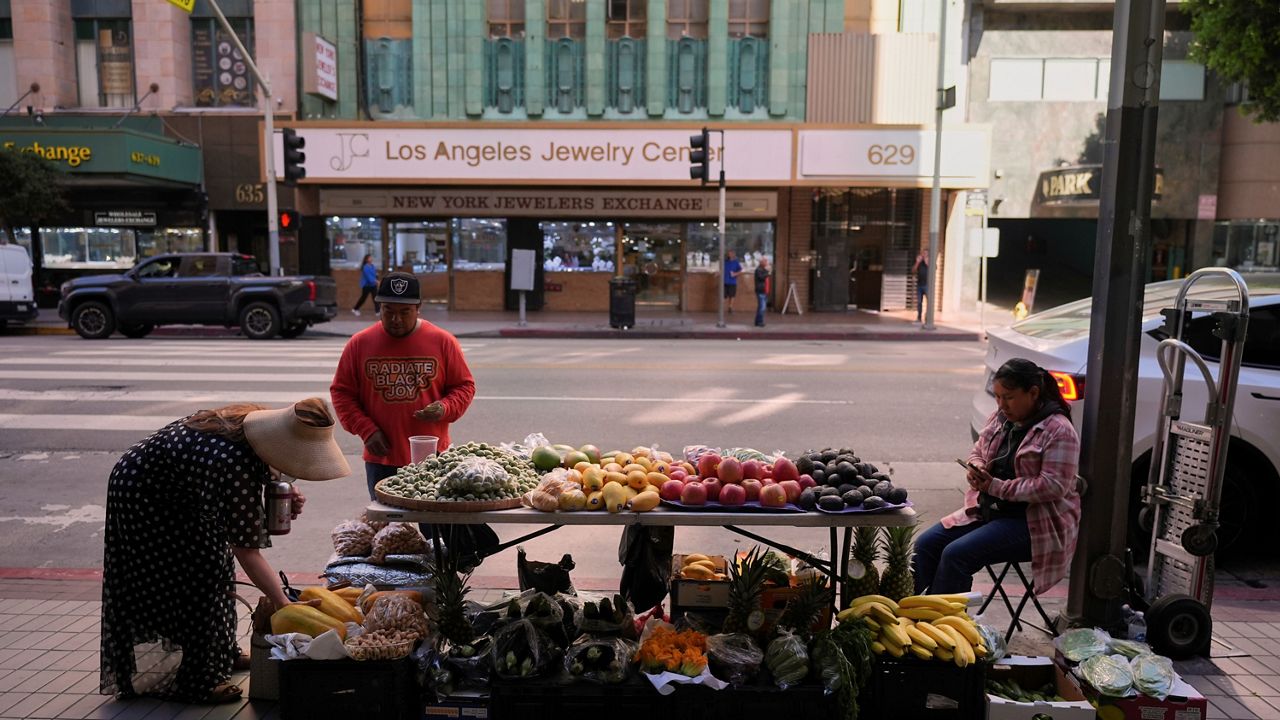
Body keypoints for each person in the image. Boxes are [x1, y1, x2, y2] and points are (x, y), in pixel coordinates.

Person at [100, 398, 350, 704]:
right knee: (197, 575)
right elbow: (247, 551)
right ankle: (196, 681)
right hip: (146, 496)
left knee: (215, 563)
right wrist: (282, 602)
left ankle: (222, 651)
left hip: (180, 487)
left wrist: (285, 488)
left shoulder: (257, 425)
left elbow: (266, 460)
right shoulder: (231, 463)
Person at [330, 271, 495, 562]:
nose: (395, 319)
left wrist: (444, 407)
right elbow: (342, 393)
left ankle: (440, 597)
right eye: (388, 311)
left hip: (432, 461)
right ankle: (401, 596)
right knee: (391, 540)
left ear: (418, 309)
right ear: (378, 308)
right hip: (382, 462)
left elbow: (464, 386)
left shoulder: (442, 341)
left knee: (438, 542)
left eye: (404, 312)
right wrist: (366, 430)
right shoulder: (359, 344)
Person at [912, 358, 1081, 596]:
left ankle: (942, 626)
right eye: (998, 397)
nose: (1002, 405)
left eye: (1009, 397)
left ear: (1033, 393)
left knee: (956, 555)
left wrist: (996, 487)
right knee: (926, 546)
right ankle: (908, 616)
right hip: (989, 510)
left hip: (1032, 523)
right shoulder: (1000, 418)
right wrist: (976, 468)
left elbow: (1053, 486)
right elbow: (978, 450)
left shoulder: (1059, 430)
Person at [753, 257, 771, 327]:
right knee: (762, 307)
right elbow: (761, 277)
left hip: (764, 290)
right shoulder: (758, 270)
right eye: (765, 261)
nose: (766, 263)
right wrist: (768, 272)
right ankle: (760, 322)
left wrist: (767, 271)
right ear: (761, 262)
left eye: (766, 261)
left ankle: (757, 321)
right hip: (760, 291)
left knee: (761, 307)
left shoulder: (763, 269)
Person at [913, 249, 929, 323]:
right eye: (923, 253)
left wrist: (926, 262)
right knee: (919, 302)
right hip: (919, 285)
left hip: (927, 285)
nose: (924, 255)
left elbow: (934, 269)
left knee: (929, 302)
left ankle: (928, 317)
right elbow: (913, 270)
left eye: (926, 254)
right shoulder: (919, 262)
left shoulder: (930, 262)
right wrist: (917, 262)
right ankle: (919, 318)